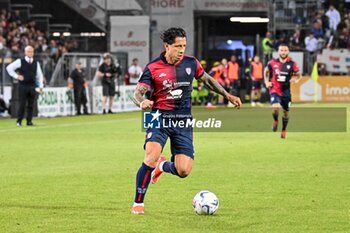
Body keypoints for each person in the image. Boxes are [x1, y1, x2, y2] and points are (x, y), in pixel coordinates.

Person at [130, 27, 241, 214]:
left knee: (183, 171)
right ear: (167, 46)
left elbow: (206, 80)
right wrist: (142, 102)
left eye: (184, 45)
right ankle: (138, 203)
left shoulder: (191, 63)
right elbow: (137, 93)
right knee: (150, 156)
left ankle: (163, 166)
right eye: (177, 46)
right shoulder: (152, 67)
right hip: (158, 116)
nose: (182, 50)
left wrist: (227, 94)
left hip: (183, 120)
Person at [264, 44, 302, 139]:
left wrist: (296, 80)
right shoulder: (272, 62)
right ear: (278, 51)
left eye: (285, 50)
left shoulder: (292, 64)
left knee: (286, 113)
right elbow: (266, 71)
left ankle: (284, 129)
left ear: (288, 52)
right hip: (275, 89)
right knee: (275, 108)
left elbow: (299, 75)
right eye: (281, 50)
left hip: (286, 92)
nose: (283, 52)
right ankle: (275, 120)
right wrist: (266, 81)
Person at [6, 45, 44, 126]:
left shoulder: (36, 63)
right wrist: (17, 76)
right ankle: (19, 121)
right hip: (23, 86)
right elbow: (9, 68)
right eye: (29, 51)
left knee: (31, 105)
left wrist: (40, 86)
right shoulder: (20, 61)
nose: (30, 53)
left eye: (32, 51)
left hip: (32, 86)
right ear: (25, 52)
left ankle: (29, 121)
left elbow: (39, 76)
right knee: (22, 104)